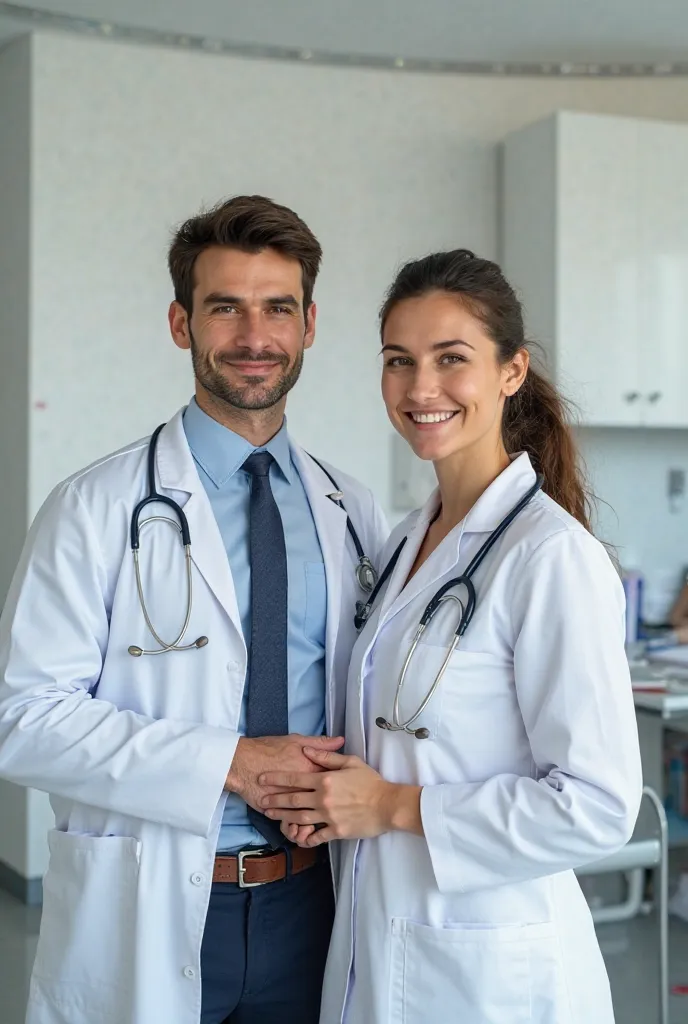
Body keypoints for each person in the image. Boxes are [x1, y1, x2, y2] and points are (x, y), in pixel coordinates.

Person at [0, 195, 388, 1024]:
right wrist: (231, 763)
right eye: (226, 308)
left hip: (318, 902)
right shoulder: (93, 507)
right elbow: (23, 720)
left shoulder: (351, 510)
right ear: (181, 324)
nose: (255, 337)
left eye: (278, 307)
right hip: (155, 901)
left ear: (311, 324)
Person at [259, 250, 643, 1024]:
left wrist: (393, 805)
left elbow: (599, 807)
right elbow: (413, 729)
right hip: (382, 936)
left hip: (491, 971)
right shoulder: (407, 541)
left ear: (512, 371)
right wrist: (335, 797)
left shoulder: (550, 556)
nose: (420, 388)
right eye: (398, 361)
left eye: (451, 359)